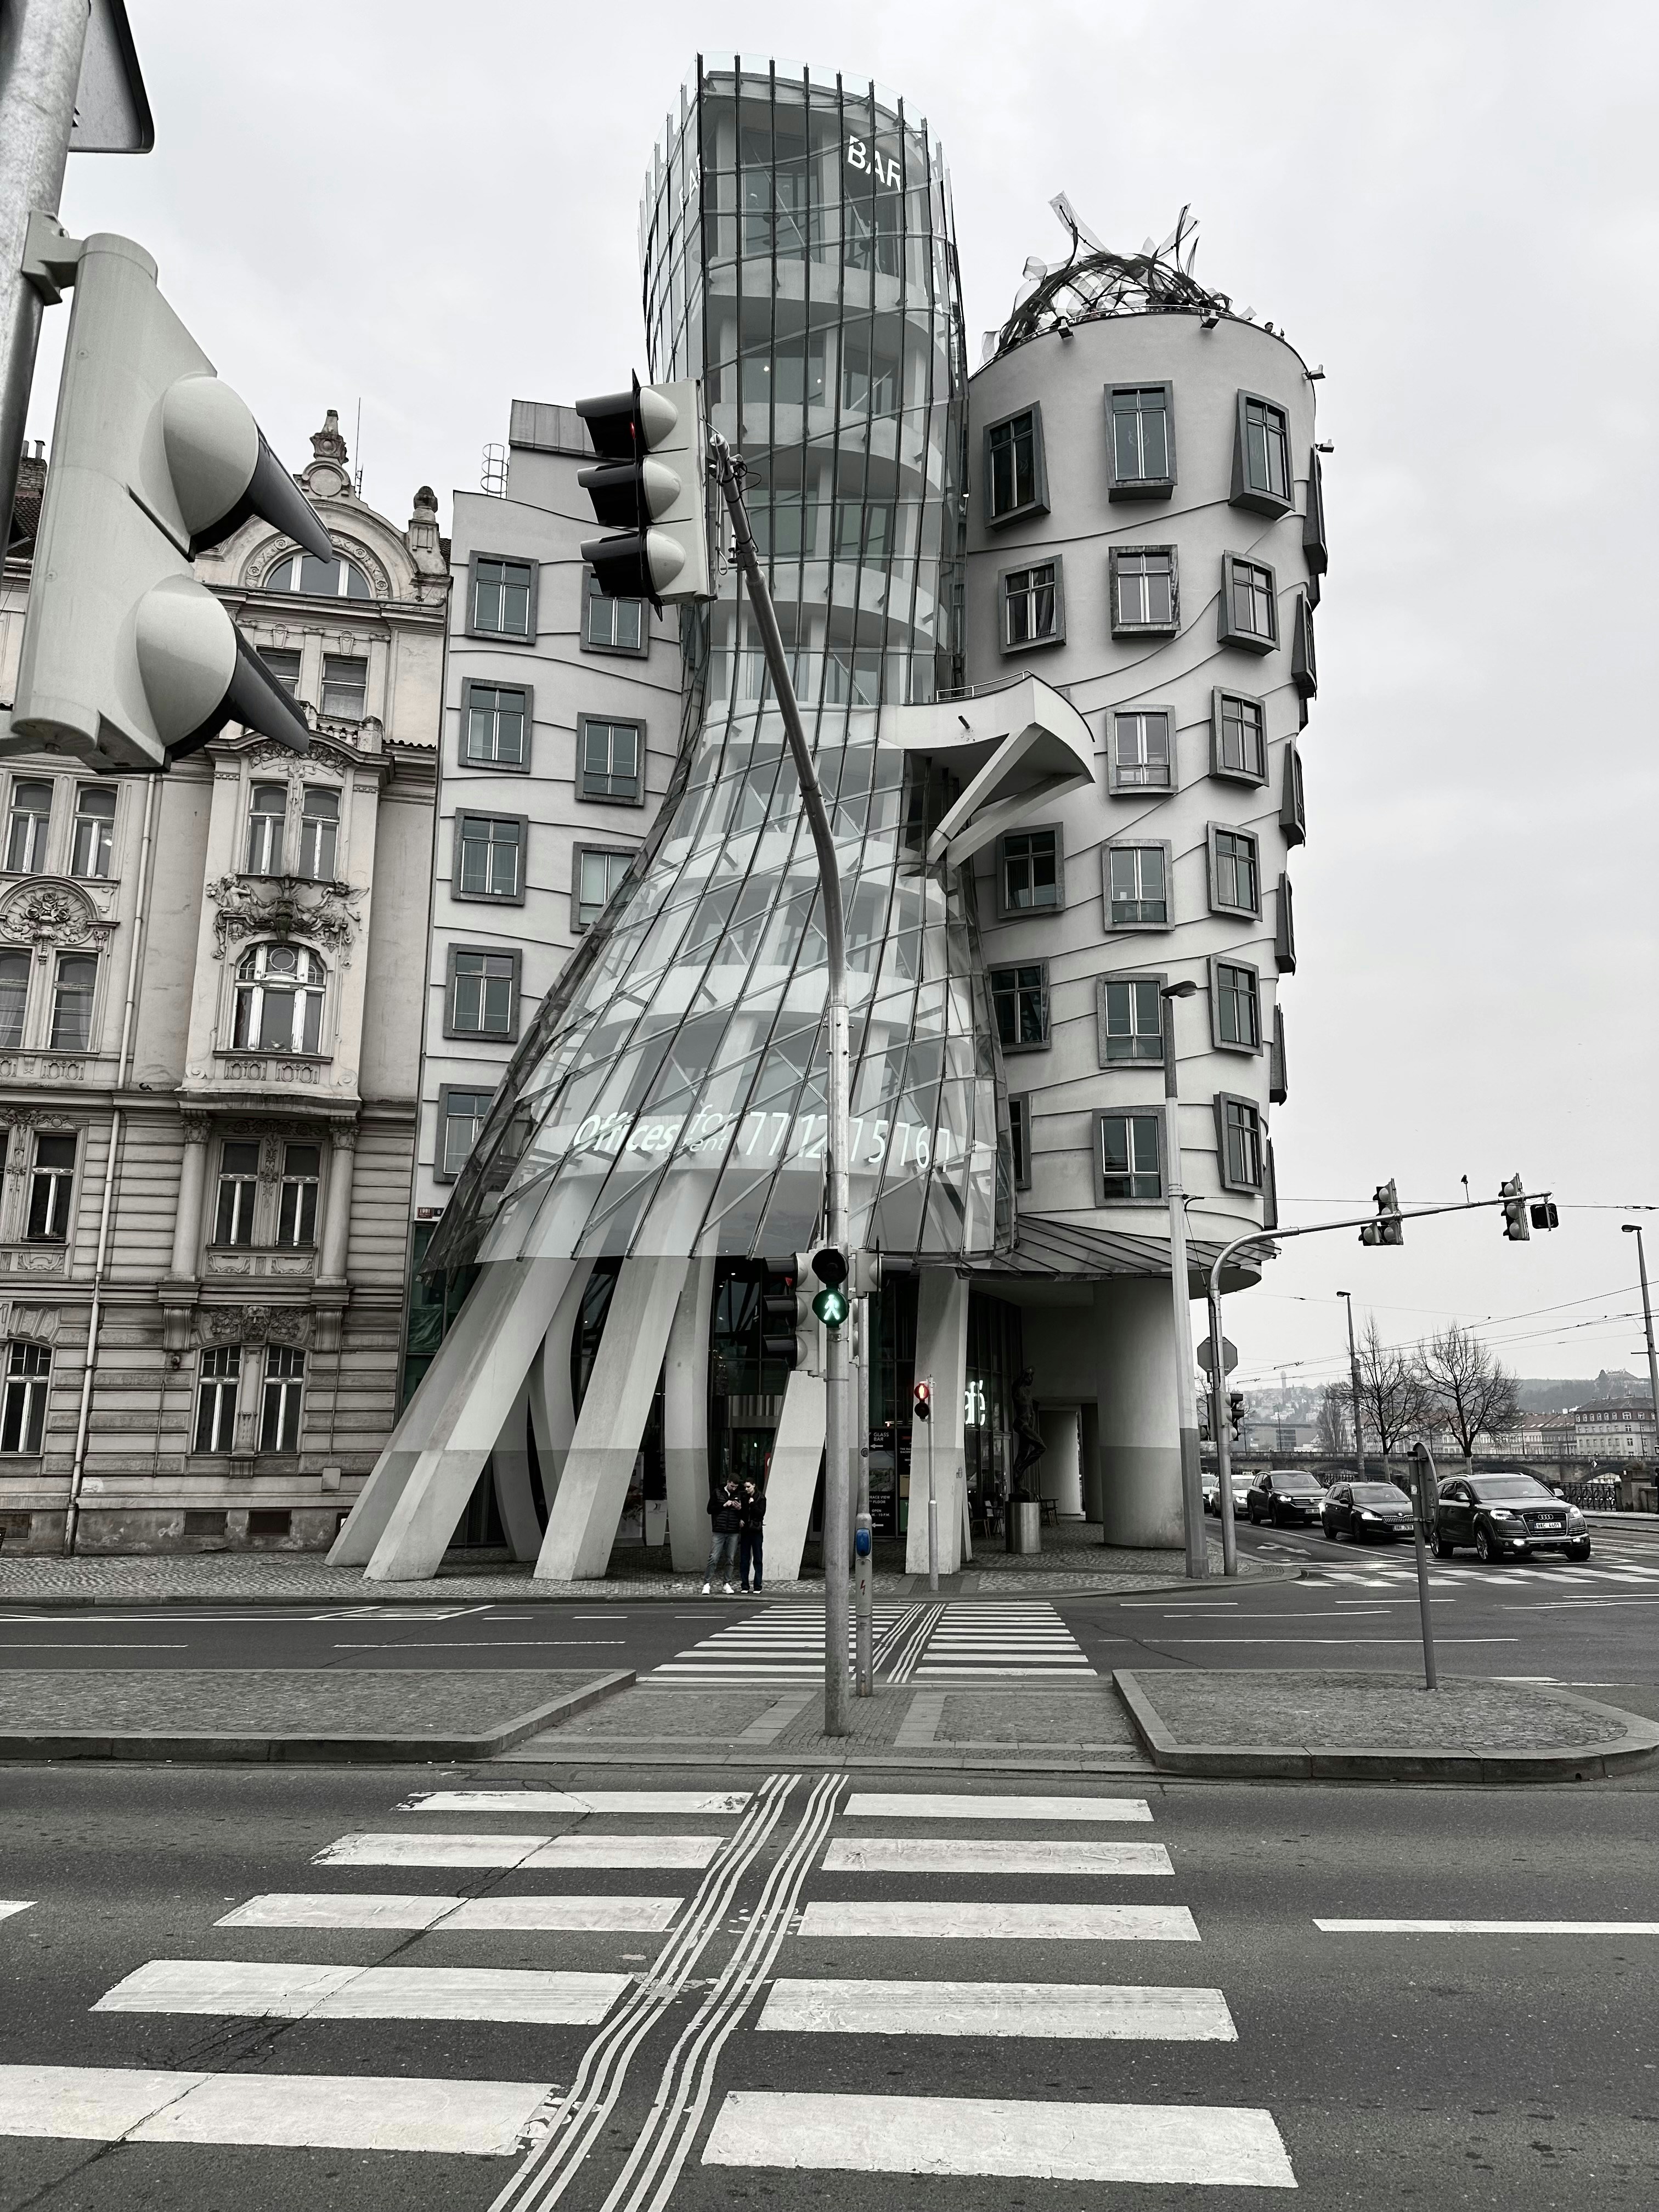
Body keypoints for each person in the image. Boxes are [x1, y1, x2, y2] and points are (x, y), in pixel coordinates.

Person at [702, 1477, 742, 1594]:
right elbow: (710, 1510)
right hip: (719, 1530)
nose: (734, 1488)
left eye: (736, 1487)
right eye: (732, 1486)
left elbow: (744, 1513)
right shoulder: (718, 1492)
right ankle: (707, 1584)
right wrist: (724, 1505)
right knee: (714, 1557)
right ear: (728, 1482)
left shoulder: (739, 1495)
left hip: (733, 1530)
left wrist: (740, 1508)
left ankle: (727, 1583)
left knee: (730, 1558)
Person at [738, 1475, 766, 1594]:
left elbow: (761, 1514)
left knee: (758, 1558)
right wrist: (740, 1519)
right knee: (744, 1559)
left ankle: (757, 1585)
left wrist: (753, 1504)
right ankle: (745, 1585)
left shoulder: (761, 1498)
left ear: (754, 1486)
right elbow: (741, 1512)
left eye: (749, 1487)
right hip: (745, 1531)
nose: (747, 1489)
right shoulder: (743, 1497)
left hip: (756, 1531)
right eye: (745, 1487)